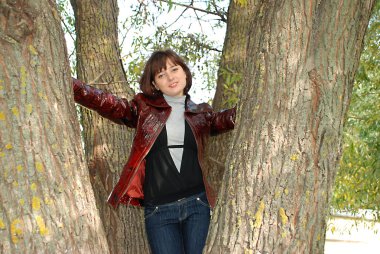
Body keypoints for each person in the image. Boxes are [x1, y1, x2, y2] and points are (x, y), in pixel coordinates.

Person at [72, 49, 236, 254]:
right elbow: (108, 103)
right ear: (154, 84)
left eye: (174, 69)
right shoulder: (143, 109)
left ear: (185, 73)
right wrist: (73, 86)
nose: (170, 77)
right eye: (161, 74)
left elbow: (229, 118)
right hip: (159, 211)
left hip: (197, 205)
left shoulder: (202, 113)